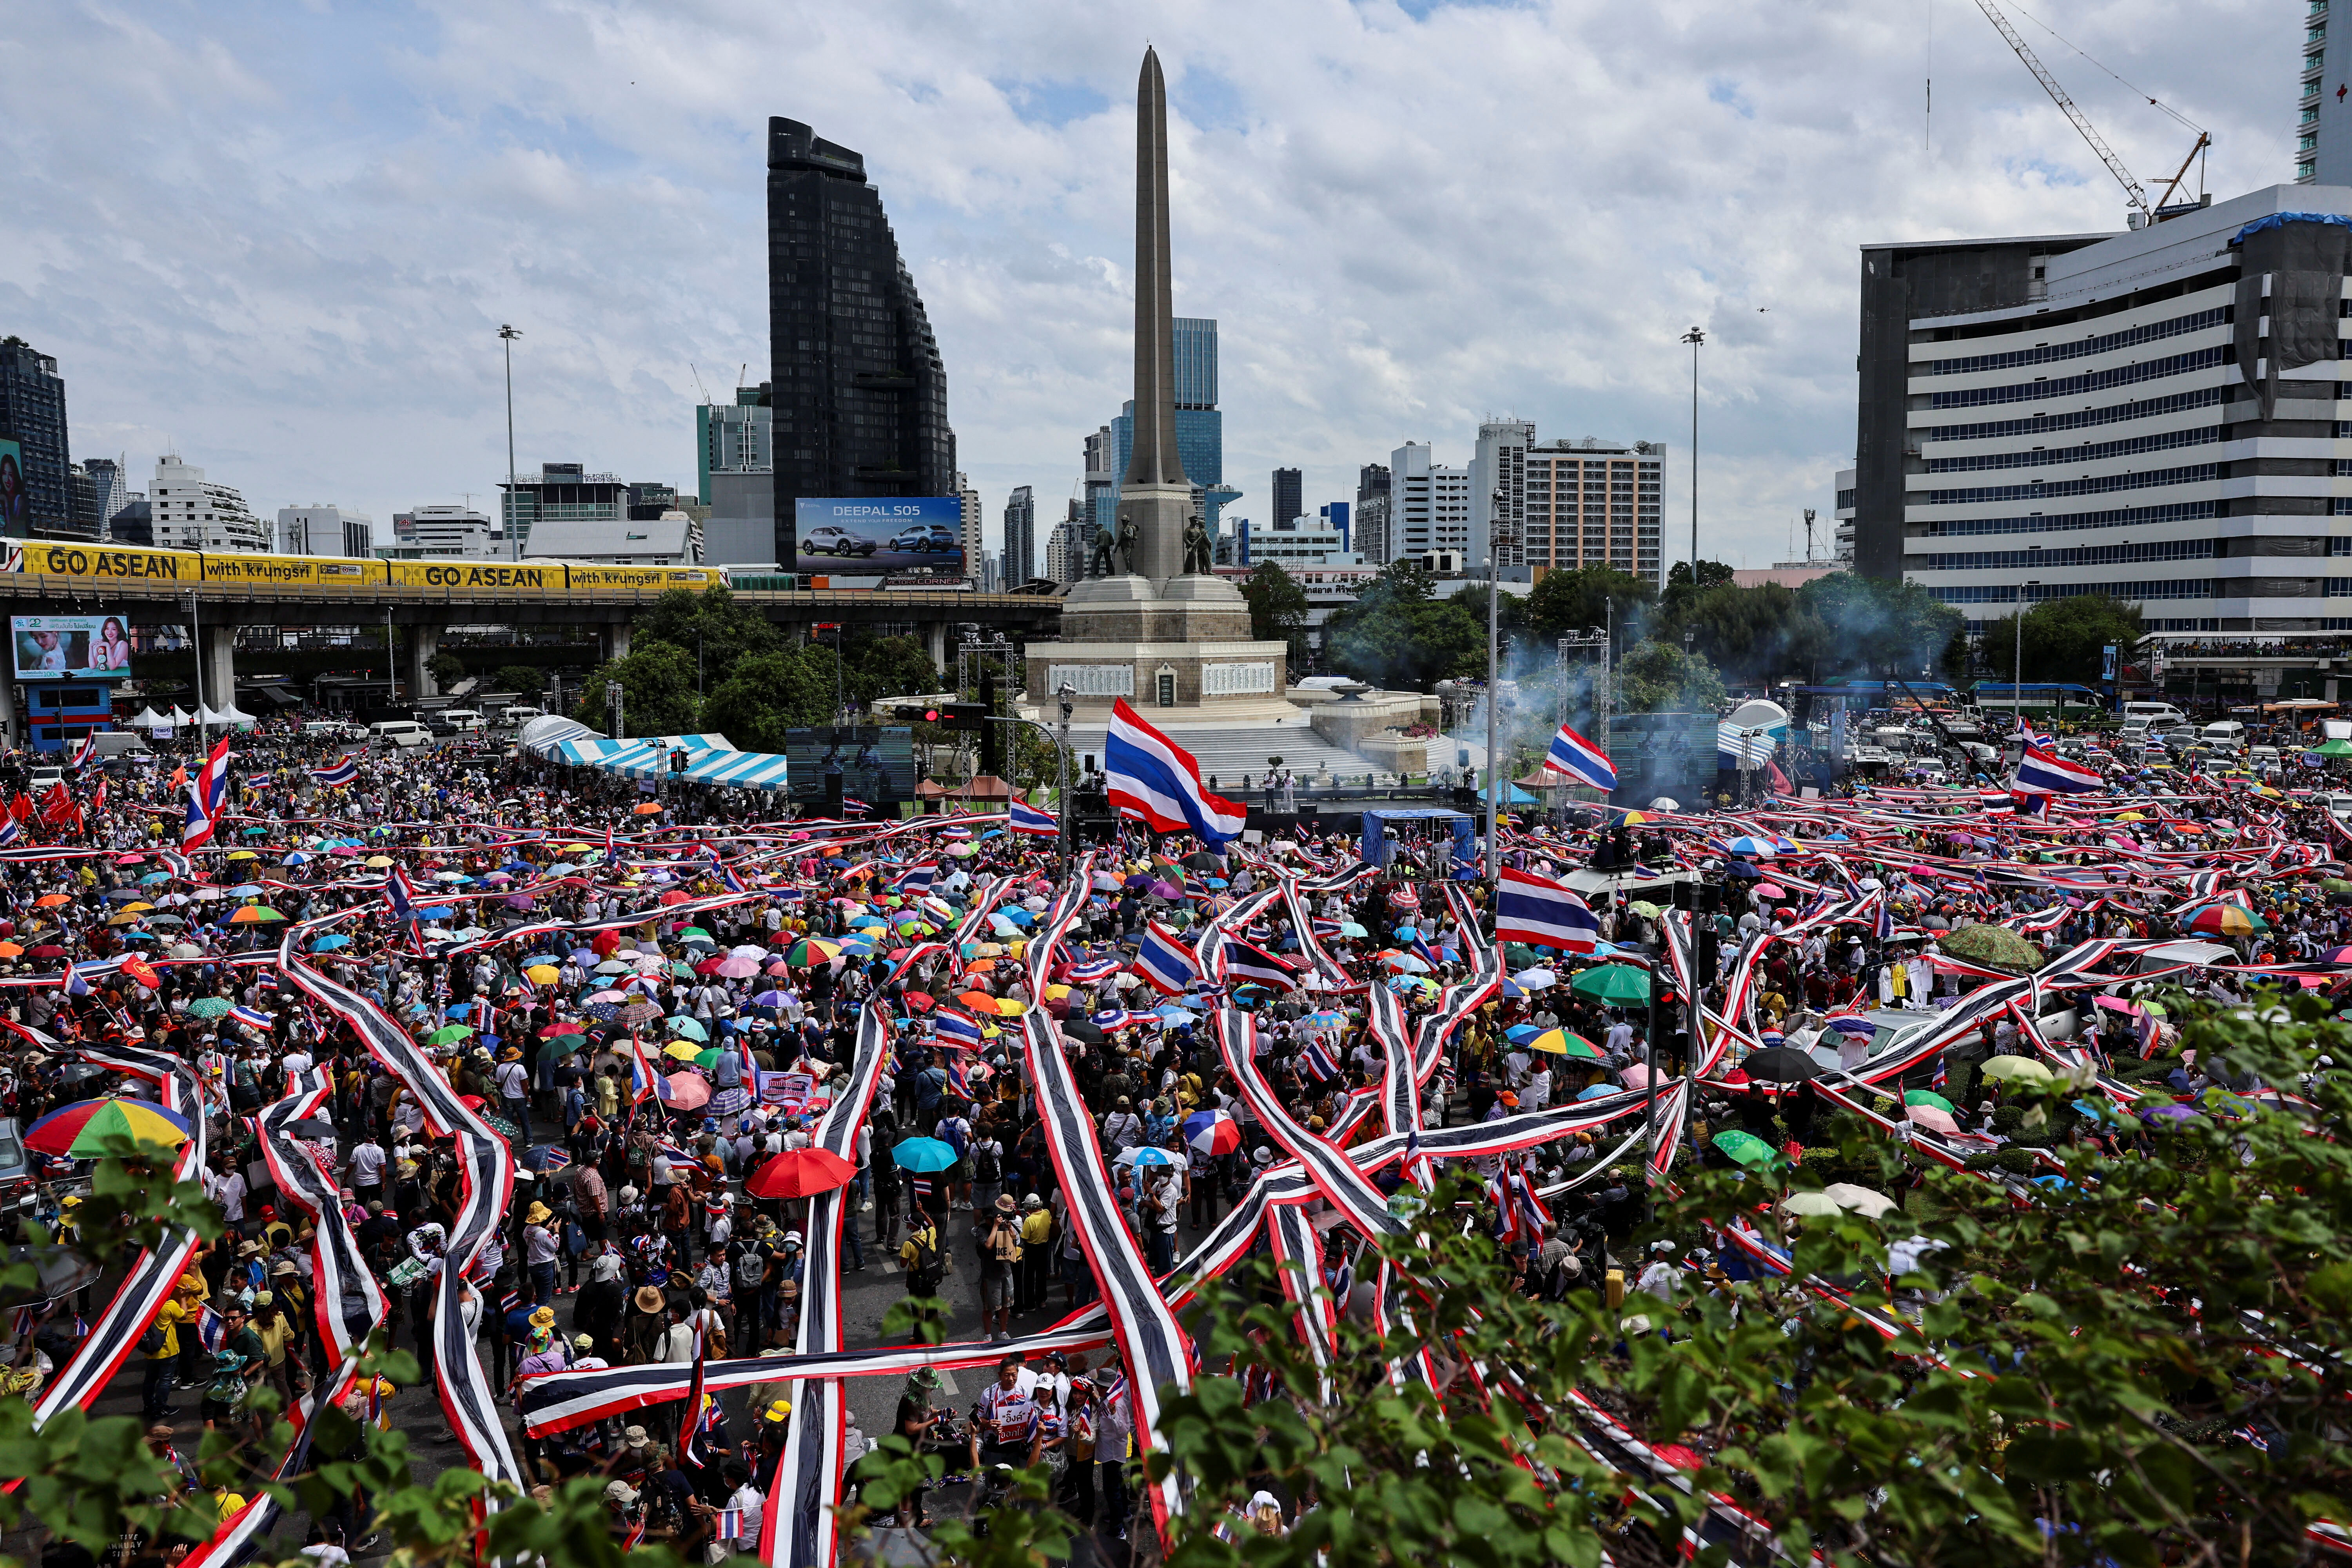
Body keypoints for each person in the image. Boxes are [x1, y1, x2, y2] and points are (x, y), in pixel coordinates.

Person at [976, 1194, 1022, 1341]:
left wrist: (1010, 1229)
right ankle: (988, 1335)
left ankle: (1003, 1332)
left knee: (1006, 1306)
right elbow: (989, 1245)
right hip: (990, 1275)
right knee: (989, 1307)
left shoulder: (1004, 1226)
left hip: (1005, 1272)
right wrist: (996, 1227)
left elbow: (1014, 1243)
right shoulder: (982, 1230)